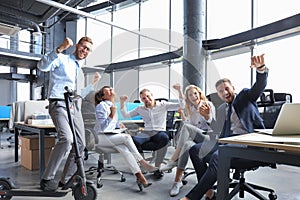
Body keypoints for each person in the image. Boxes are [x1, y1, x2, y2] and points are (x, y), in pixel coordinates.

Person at [180, 54, 268, 200]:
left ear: (233, 88)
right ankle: (208, 191)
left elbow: (259, 87)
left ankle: (192, 197)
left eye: (227, 89)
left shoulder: (245, 96)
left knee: (219, 154)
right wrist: (208, 117)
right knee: (195, 150)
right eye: (221, 91)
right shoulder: (221, 108)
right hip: (229, 141)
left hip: (249, 142)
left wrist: (260, 69)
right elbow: (217, 131)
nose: (225, 93)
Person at [37, 36, 100, 191]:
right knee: (66, 139)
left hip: (75, 106)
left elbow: (80, 94)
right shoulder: (62, 58)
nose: (84, 51)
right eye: (83, 47)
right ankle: (47, 178)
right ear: (77, 45)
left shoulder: (80, 72)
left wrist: (93, 84)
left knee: (80, 143)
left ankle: (65, 180)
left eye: (88, 50)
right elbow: (42, 66)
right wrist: (60, 47)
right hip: (59, 103)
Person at [94, 86, 157, 190]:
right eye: (108, 90)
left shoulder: (112, 105)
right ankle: (143, 163)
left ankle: (140, 177)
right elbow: (103, 127)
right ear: (103, 96)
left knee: (125, 150)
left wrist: (119, 124)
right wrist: (111, 115)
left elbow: (111, 125)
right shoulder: (101, 106)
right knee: (127, 138)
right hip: (101, 138)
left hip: (110, 137)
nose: (111, 89)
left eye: (111, 88)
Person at [160, 84, 216, 197]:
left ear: (199, 94)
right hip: (198, 139)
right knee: (186, 144)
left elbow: (215, 125)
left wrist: (206, 116)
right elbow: (190, 126)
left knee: (185, 127)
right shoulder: (190, 109)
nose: (194, 96)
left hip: (210, 137)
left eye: (195, 93)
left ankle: (173, 160)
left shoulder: (208, 105)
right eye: (190, 95)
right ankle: (177, 181)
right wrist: (183, 114)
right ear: (188, 98)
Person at [119, 87, 184, 177]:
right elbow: (125, 115)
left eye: (148, 96)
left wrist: (179, 91)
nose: (147, 99)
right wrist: (122, 102)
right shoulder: (140, 108)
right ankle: (144, 164)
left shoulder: (163, 105)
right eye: (144, 98)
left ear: (152, 96)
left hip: (159, 131)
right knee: (133, 140)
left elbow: (181, 105)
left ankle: (157, 167)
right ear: (141, 100)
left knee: (164, 138)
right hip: (147, 132)